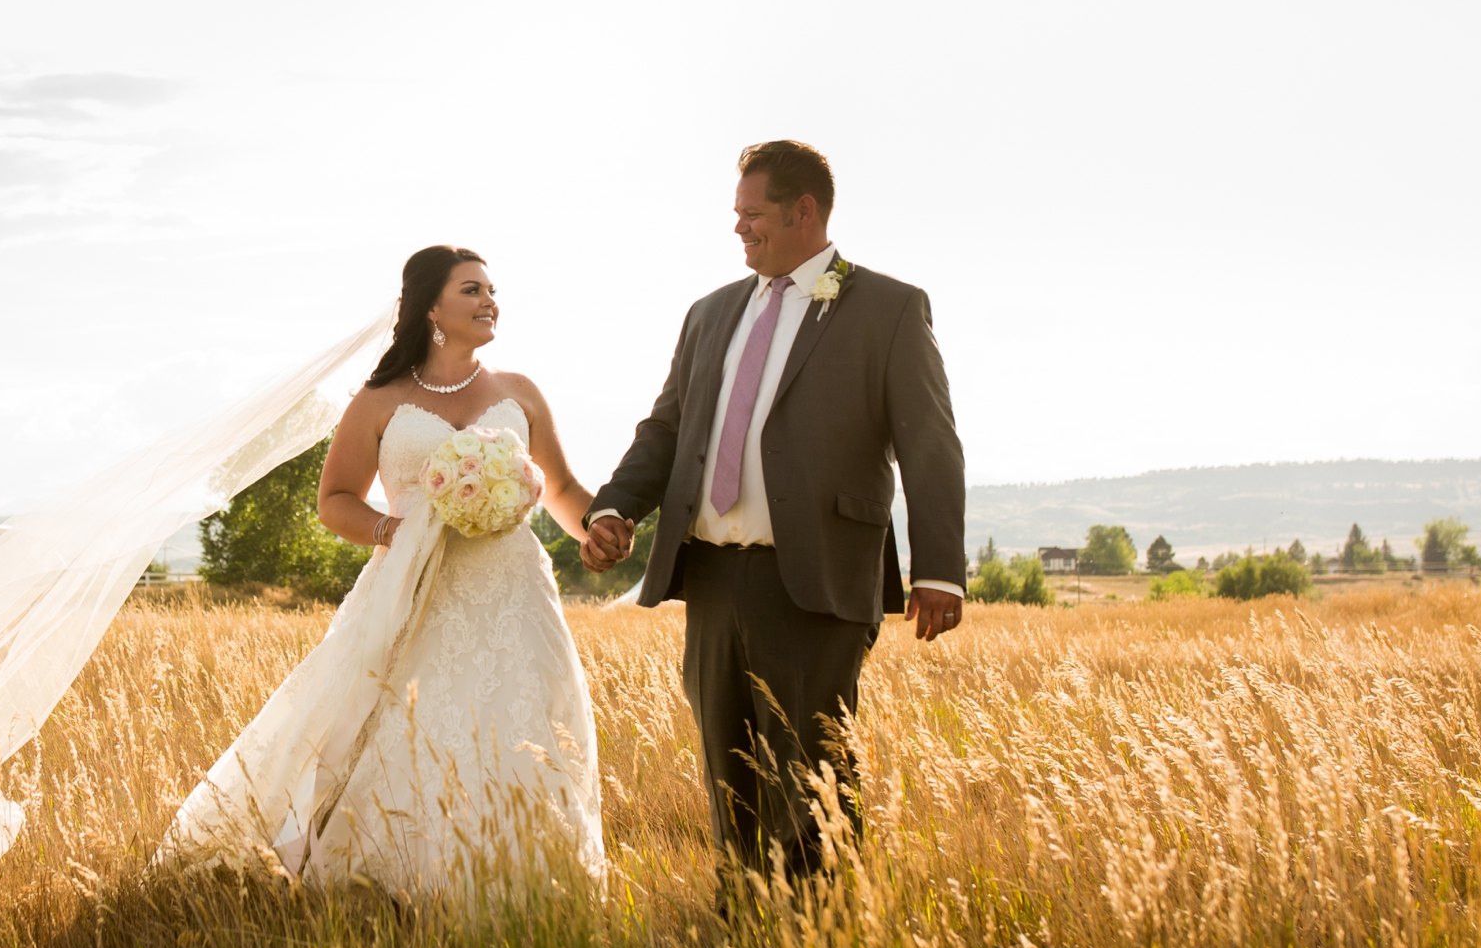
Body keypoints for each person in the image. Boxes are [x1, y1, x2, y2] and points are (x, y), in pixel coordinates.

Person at [156, 246, 607, 895]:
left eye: (491, 290)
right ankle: (396, 875)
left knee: (519, 719)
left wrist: (603, 525)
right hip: (412, 589)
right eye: (472, 290)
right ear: (431, 308)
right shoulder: (380, 399)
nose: (490, 302)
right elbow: (334, 498)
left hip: (513, 589)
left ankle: (520, 875)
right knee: (405, 725)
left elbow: (561, 487)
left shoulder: (520, 391)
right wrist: (390, 530)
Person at [581, 141, 966, 893]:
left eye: (752, 215)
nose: (739, 230)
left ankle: (820, 946)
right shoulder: (709, 313)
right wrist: (617, 506)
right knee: (731, 779)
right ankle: (745, 937)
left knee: (814, 780)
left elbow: (931, 445)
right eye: (736, 216)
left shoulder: (888, 308)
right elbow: (666, 429)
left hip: (818, 581)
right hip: (715, 578)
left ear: (804, 212)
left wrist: (941, 568)